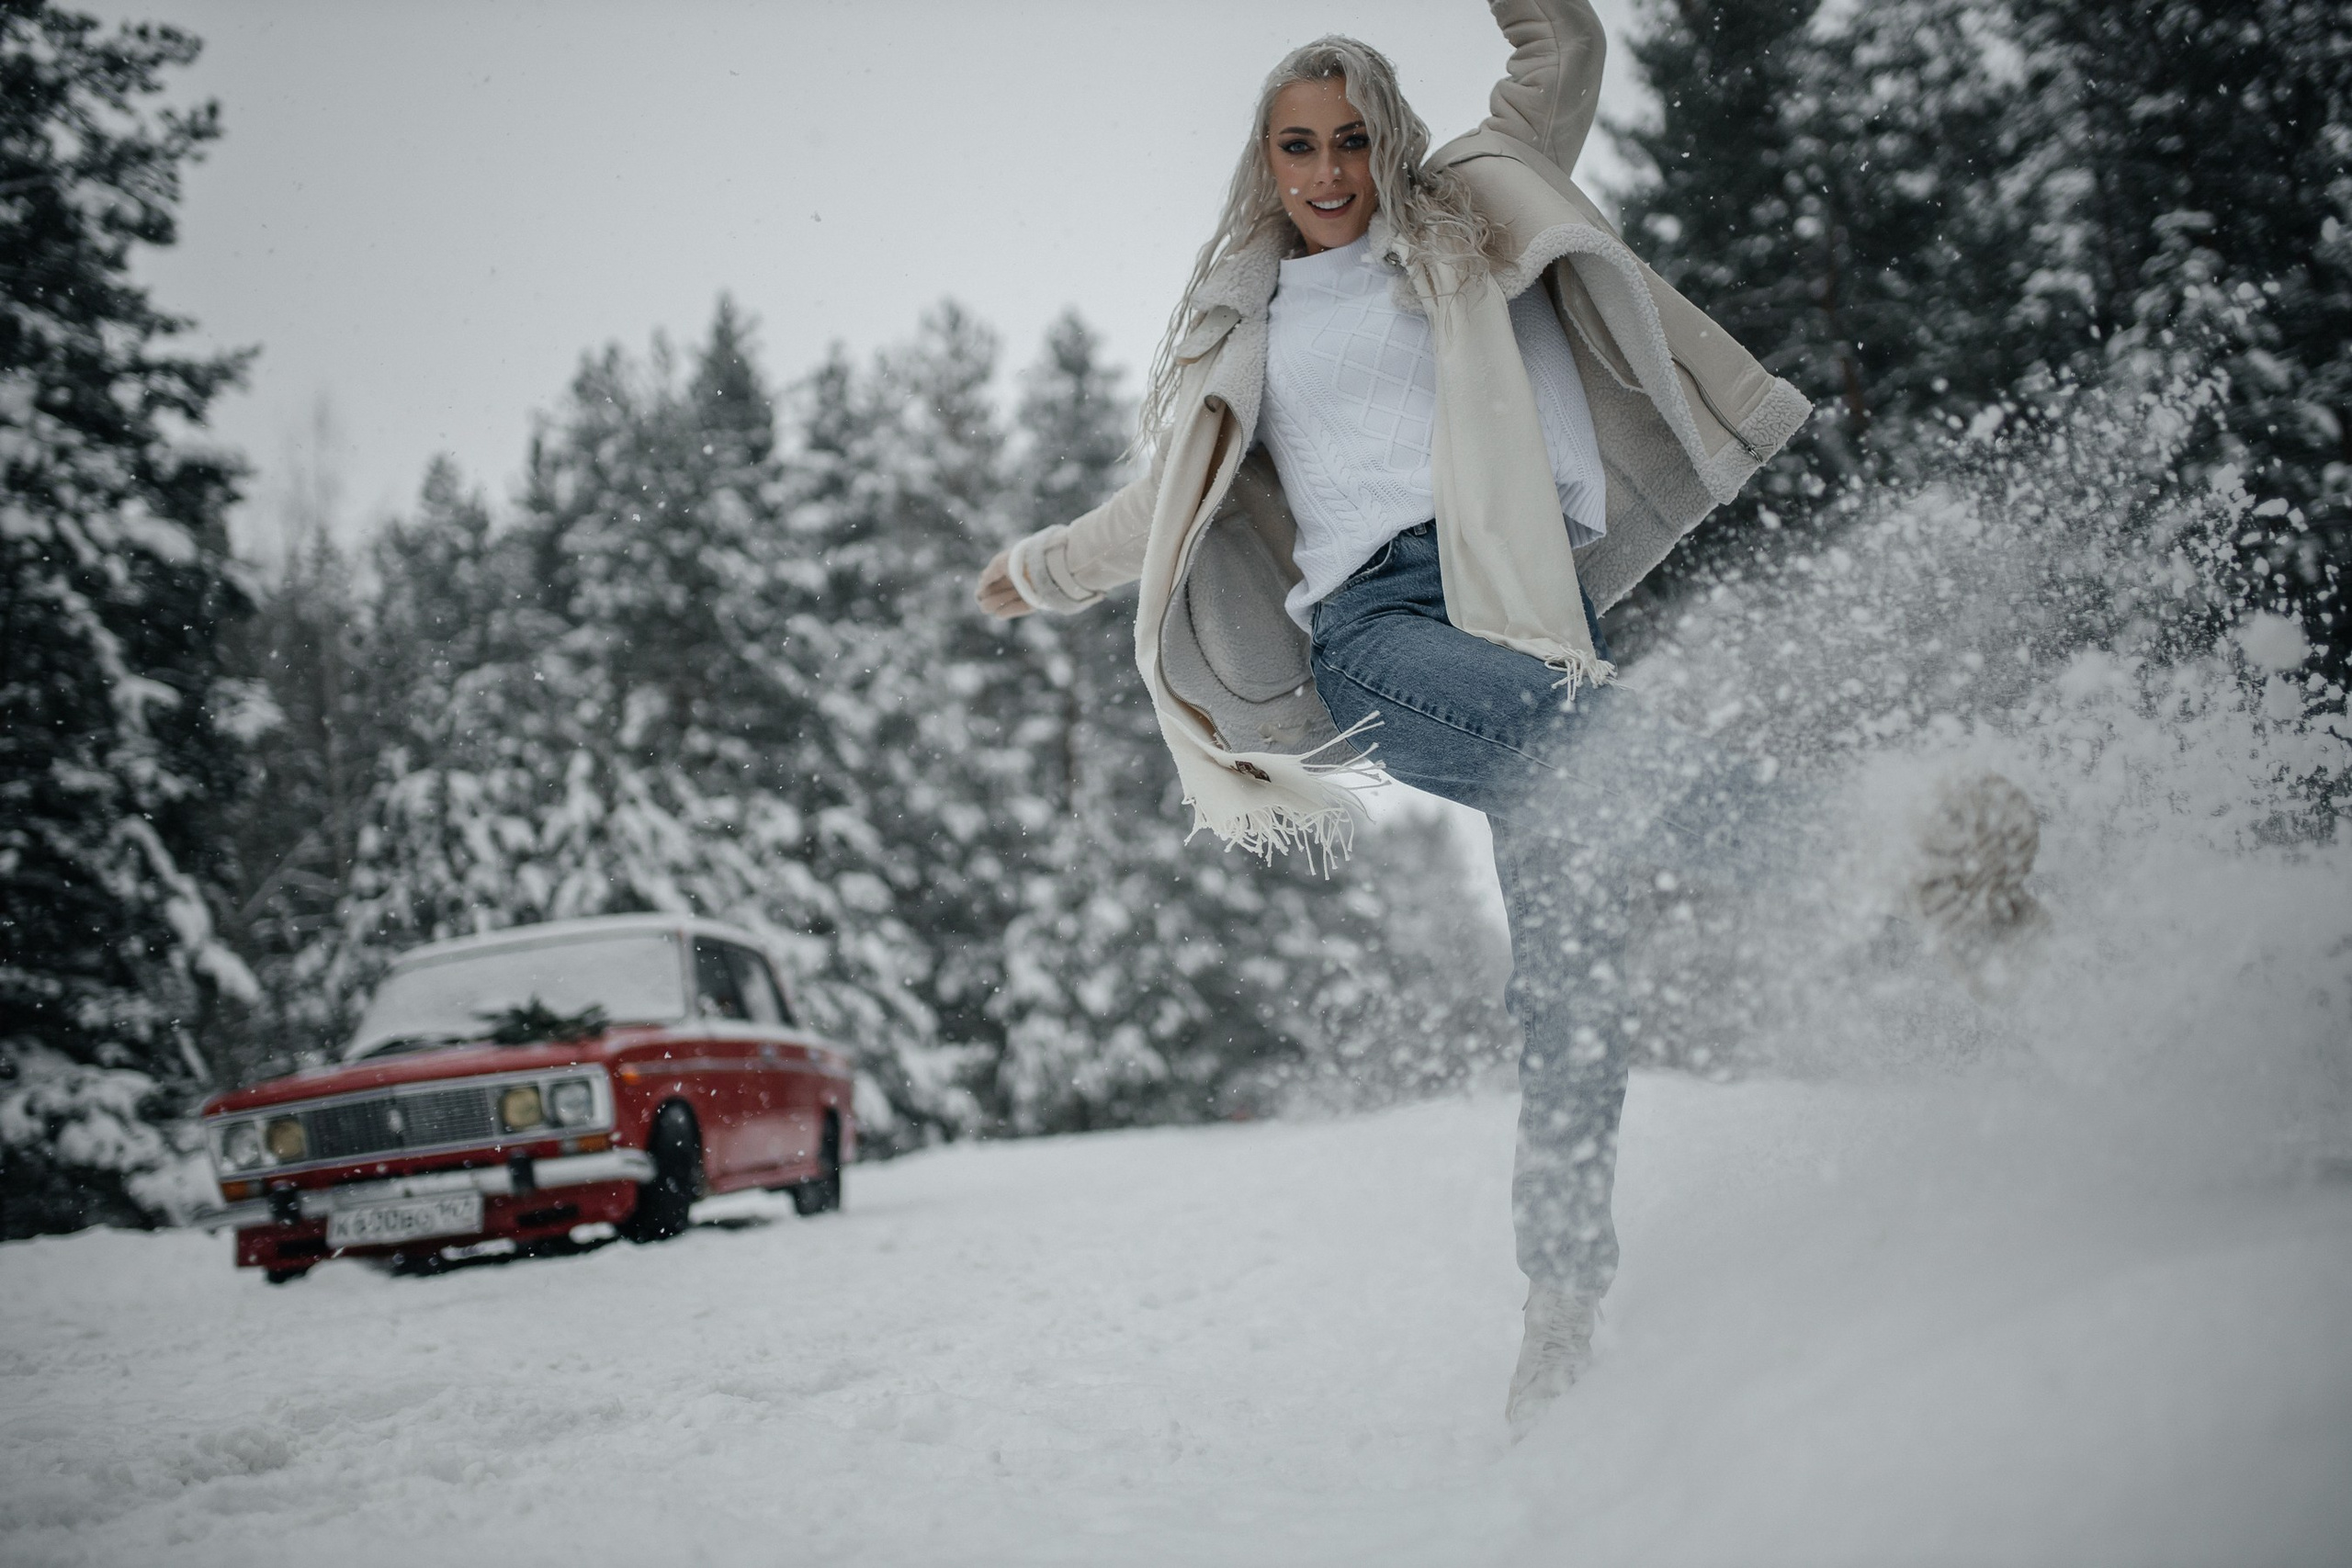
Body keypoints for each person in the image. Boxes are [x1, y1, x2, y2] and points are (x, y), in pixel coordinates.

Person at [975, 0, 1875, 1435]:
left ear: (1386, 137)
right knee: (1593, 752)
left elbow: (1563, 49)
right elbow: (1165, 507)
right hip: (1379, 632)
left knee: (1570, 992)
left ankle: (1559, 1314)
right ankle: (1865, 856)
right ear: (1266, 162)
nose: (1327, 171)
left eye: (1349, 139)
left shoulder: (1467, 215)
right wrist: (1037, 570)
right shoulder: (1251, 320)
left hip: (1529, 617)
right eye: (1297, 148)